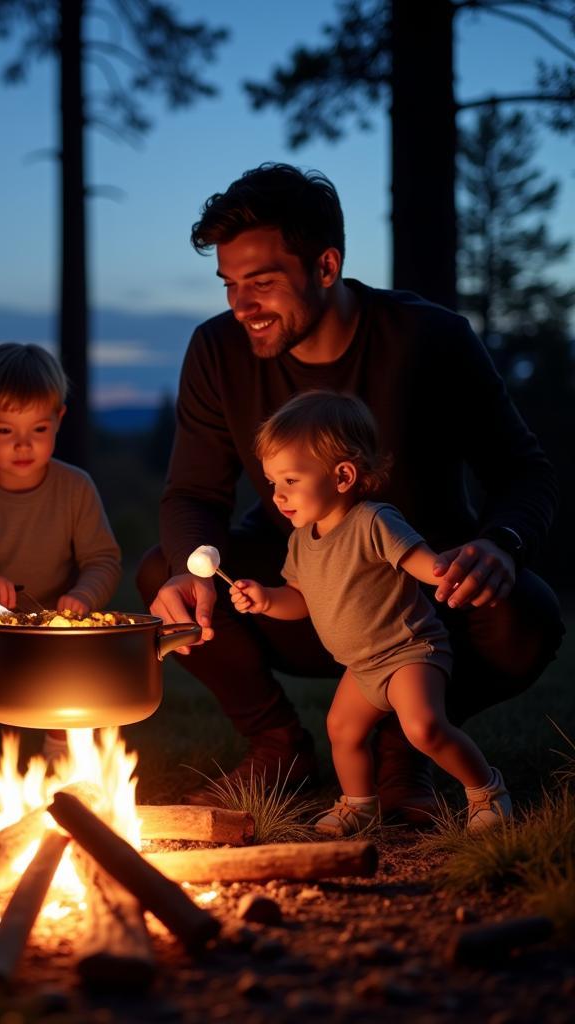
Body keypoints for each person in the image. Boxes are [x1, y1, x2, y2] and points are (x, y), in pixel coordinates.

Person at [138, 163, 564, 818]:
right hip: (305, 591)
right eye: (229, 285)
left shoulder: (428, 338)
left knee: (523, 615)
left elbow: (524, 470)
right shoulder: (217, 350)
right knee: (165, 572)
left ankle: (400, 752)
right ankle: (278, 745)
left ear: (327, 266)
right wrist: (187, 569)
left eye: (262, 283)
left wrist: (501, 544)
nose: (241, 306)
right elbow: (194, 494)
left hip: (427, 597)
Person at [230, 391, 511, 834]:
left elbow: (424, 565)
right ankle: (359, 805)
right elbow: (298, 599)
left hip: (409, 651)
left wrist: (451, 572)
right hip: (361, 666)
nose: (278, 496)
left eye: (290, 481)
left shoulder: (374, 521)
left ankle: (487, 793)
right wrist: (265, 599)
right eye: (272, 483)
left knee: (424, 728)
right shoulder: (302, 541)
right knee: (342, 730)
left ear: (342, 475)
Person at [0, 343, 122, 806]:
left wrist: (83, 595)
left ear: (59, 418)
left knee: (72, 657)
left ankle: (61, 753)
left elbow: (103, 559)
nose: (24, 444)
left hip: (57, 614)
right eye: (5, 430)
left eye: (39, 428)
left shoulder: (74, 487)